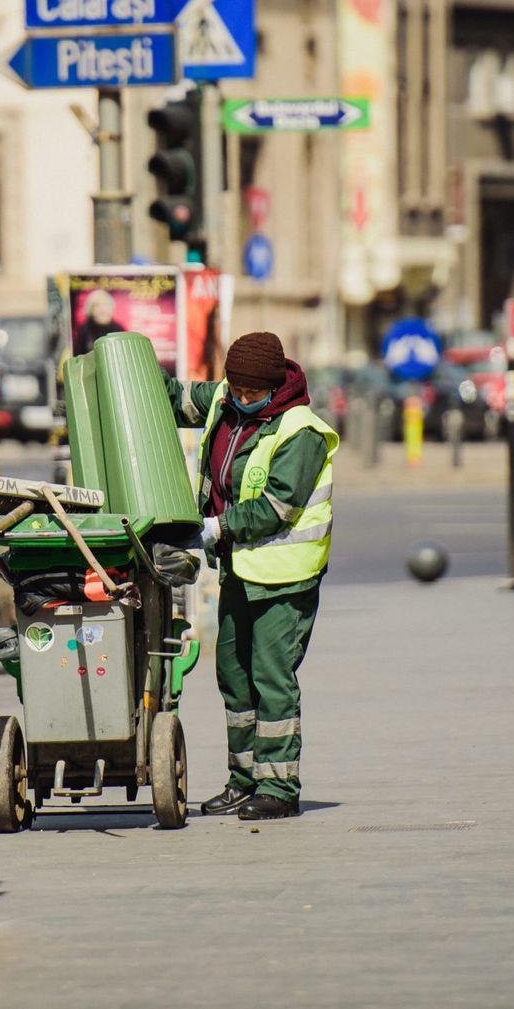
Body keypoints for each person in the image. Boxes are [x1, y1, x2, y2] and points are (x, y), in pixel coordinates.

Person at [161, 331, 337, 821]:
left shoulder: (300, 430)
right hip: (240, 568)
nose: (240, 399)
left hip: (286, 577)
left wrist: (215, 527)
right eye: (234, 389)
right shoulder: (226, 400)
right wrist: (131, 360)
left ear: (274, 386)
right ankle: (243, 780)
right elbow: (176, 398)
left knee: (271, 677)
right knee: (234, 678)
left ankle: (279, 790)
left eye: (250, 393)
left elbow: (278, 506)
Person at [74, 288, 127, 355]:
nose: (103, 309)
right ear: (90, 309)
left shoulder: (119, 330)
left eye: (106, 304)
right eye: (97, 305)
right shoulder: (83, 330)